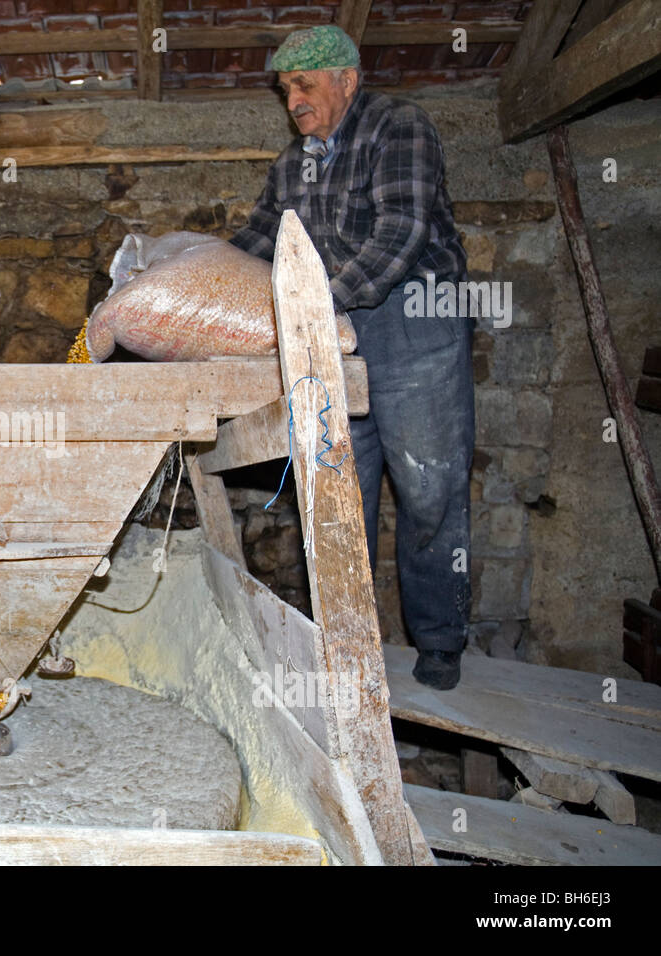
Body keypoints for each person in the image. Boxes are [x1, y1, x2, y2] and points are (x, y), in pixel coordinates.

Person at [230, 25, 474, 690]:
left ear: (346, 79)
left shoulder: (399, 128)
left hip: (413, 321)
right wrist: (192, 266)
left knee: (429, 489)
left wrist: (318, 307)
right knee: (339, 492)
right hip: (334, 333)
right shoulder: (294, 164)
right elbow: (254, 240)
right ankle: (348, 644)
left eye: (304, 86)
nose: (293, 102)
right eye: (285, 92)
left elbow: (402, 232)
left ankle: (440, 638)